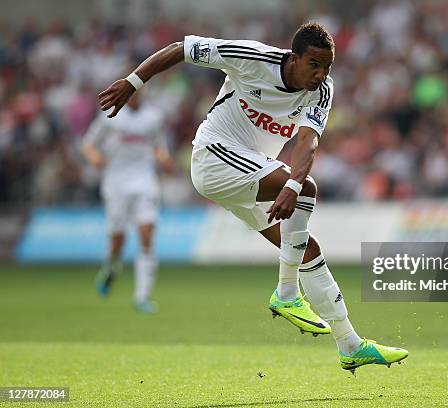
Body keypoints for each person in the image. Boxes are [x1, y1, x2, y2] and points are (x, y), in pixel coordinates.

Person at [97, 22, 407, 372]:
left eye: (327, 67)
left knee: (307, 247)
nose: (320, 74)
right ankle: (287, 294)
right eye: (314, 64)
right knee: (304, 189)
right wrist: (133, 82)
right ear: (295, 58)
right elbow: (181, 48)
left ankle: (350, 344)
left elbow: (308, 141)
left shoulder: (322, 90)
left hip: (253, 174)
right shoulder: (251, 57)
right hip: (214, 156)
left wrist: (290, 185)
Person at [83, 91, 173, 314]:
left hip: (144, 181)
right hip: (115, 182)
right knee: (118, 239)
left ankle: (142, 296)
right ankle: (110, 268)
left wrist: (163, 158)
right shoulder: (109, 115)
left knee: (146, 234)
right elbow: (89, 143)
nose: (134, 95)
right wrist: (94, 157)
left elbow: (159, 145)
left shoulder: (153, 116)